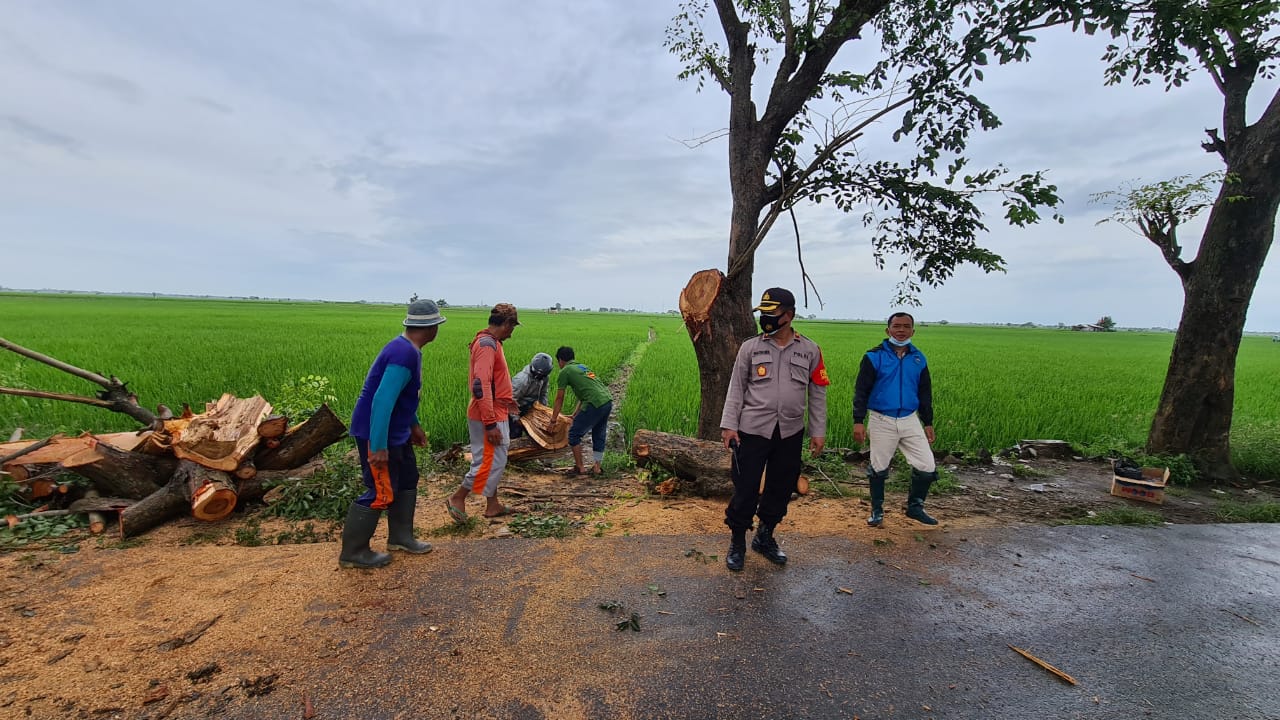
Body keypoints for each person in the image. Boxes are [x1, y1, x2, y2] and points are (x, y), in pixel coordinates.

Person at [720, 288, 828, 572]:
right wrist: (729, 425)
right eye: (763, 314)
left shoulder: (810, 350)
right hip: (752, 430)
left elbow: (817, 393)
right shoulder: (750, 348)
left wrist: (818, 431)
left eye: (772, 314)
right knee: (745, 488)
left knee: (781, 488)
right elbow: (736, 388)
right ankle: (738, 542)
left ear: (789, 316)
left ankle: (765, 537)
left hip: (790, 432)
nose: (766, 319)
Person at [341, 297, 445, 569]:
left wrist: (413, 425)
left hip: (395, 431)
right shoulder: (404, 353)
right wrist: (377, 446)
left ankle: (400, 537)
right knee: (380, 488)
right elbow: (382, 401)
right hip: (377, 432)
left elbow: (401, 398)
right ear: (432, 327)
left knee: (408, 478)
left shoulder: (409, 349)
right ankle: (354, 552)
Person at [853, 311, 938, 526]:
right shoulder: (874, 356)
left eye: (906, 326)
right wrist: (858, 420)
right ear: (887, 330)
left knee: (927, 465)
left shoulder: (918, 358)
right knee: (879, 467)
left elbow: (925, 393)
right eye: (897, 326)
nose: (901, 330)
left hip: (910, 419)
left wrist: (927, 422)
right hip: (882, 419)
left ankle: (915, 507)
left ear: (913, 330)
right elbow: (861, 391)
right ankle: (877, 511)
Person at [447, 303, 520, 522]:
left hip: (495, 410)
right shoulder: (487, 345)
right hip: (487, 414)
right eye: (513, 326)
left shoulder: (492, 343)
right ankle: (458, 497)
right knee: (490, 461)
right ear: (506, 324)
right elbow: (481, 385)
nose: (512, 332)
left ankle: (493, 504)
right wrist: (490, 424)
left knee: (492, 457)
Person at [547, 346, 612, 476]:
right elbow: (586, 393)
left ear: (560, 360)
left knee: (574, 434)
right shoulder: (583, 367)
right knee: (599, 435)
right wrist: (575, 413)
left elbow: (559, 398)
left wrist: (553, 420)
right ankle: (597, 468)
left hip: (594, 403)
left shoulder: (565, 371)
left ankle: (580, 468)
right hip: (607, 401)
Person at [508, 352, 553, 437]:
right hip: (516, 408)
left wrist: (543, 410)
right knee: (515, 433)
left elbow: (543, 394)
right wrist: (516, 419)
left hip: (529, 407)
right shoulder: (522, 380)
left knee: (536, 433)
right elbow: (511, 400)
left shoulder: (544, 377)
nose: (541, 377)